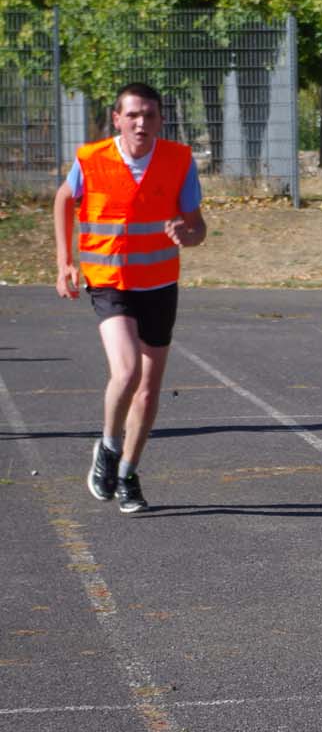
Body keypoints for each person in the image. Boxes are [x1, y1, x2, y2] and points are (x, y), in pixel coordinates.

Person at [53, 83, 207, 514]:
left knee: (149, 388)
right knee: (126, 370)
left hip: (159, 284)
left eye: (151, 115)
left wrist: (188, 235)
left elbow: (197, 227)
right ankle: (107, 445)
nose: (142, 123)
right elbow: (64, 200)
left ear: (160, 120)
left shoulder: (178, 161)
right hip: (110, 281)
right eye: (133, 115)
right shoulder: (91, 159)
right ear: (117, 118)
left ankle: (128, 474)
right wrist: (65, 261)